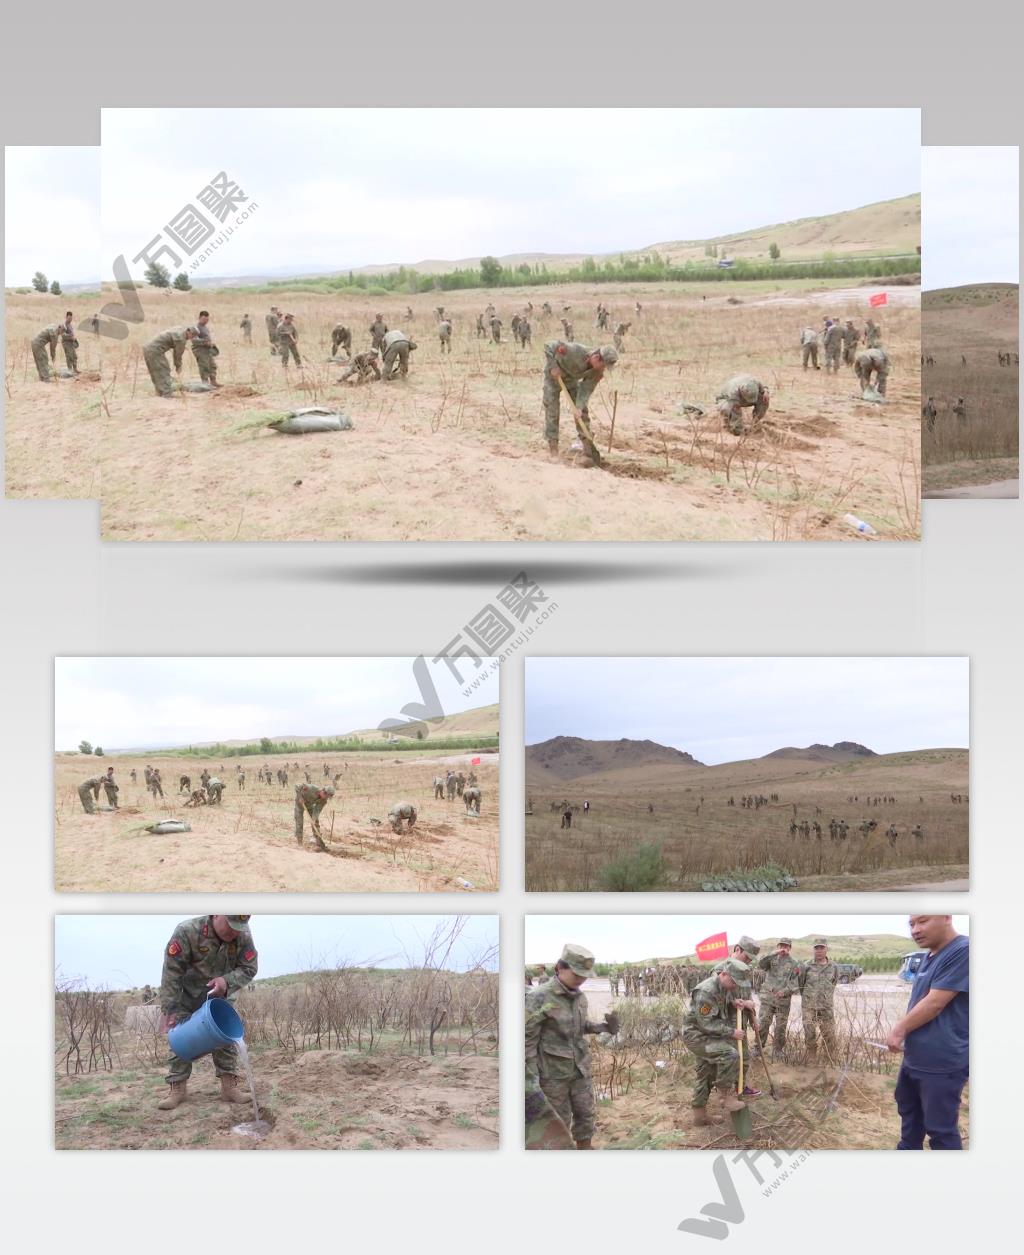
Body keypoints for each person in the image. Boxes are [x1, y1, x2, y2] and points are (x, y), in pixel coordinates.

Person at [157, 915, 258, 1110]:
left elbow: (249, 967)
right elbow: (172, 970)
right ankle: (177, 1089)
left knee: (226, 1039)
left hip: (219, 996)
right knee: (181, 1039)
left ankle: (229, 1088)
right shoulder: (187, 931)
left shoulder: (242, 935)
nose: (234, 932)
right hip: (186, 995)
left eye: (239, 927)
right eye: (230, 925)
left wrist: (226, 981)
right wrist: (169, 1006)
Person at [524, 943, 618, 1149]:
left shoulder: (579, 997)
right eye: (576, 974)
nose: (581, 980)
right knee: (559, 1119)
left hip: (580, 1069)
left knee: (586, 1113)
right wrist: (531, 1079)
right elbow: (527, 1041)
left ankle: (585, 1149)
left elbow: (578, 1026)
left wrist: (602, 1027)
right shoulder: (538, 997)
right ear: (560, 967)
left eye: (584, 975)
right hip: (552, 1074)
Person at [887, 915, 969, 1150]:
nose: (915, 930)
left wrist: (899, 1029)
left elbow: (935, 1003)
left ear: (946, 917)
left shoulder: (963, 950)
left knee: (940, 1130)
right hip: (915, 1057)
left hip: (942, 1060)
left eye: (923, 921)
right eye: (911, 924)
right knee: (910, 1114)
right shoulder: (928, 956)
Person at [682, 959, 755, 1126]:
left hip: (709, 1035)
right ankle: (725, 1095)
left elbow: (724, 1000)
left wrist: (733, 1002)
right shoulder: (706, 991)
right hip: (697, 1036)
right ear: (723, 974)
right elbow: (706, 1023)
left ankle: (699, 1116)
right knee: (730, 1054)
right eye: (733, 982)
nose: (735, 986)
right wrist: (731, 1032)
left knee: (705, 1073)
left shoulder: (725, 986)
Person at [542, 341, 617, 457]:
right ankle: (553, 449)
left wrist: (579, 406)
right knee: (552, 411)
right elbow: (549, 346)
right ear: (597, 358)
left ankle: (587, 448)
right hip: (553, 378)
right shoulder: (574, 350)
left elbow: (586, 389)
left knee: (582, 414)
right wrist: (553, 366)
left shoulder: (597, 372)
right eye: (603, 366)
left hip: (571, 381)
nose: (603, 369)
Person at [712, 935, 762, 1094]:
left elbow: (748, 996)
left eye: (751, 959)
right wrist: (737, 1002)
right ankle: (726, 1094)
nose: (748, 961)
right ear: (737, 949)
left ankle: (741, 1087)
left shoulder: (745, 970)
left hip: (742, 1022)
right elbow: (716, 997)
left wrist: (754, 1015)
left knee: (744, 1058)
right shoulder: (721, 969)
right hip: (726, 1025)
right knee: (730, 1059)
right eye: (746, 957)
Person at [757, 938, 800, 1057]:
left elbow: (795, 982)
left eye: (786, 946)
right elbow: (760, 964)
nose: (784, 948)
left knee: (781, 1026)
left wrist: (785, 992)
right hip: (768, 998)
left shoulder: (794, 963)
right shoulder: (771, 958)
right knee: (763, 1023)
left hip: (783, 1000)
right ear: (778, 946)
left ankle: (778, 1050)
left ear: (790, 948)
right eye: (782, 945)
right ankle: (758, 1048)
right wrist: (774, 953)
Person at [799, 938, 838, 1064]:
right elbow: (801, 984)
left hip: (826, 1007)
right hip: (809, 1007)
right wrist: (808, 998)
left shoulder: (834, 967)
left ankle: (829, 1058)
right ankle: (812, 1057)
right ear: (813, 950)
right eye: (817, 948)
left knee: (829, 1034)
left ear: (827, 949)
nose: (819, 950)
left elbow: (834, 982)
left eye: (822, 948)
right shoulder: (806, 966)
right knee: (809, 1033)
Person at [142, 326, 196, 397]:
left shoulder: (180, 330)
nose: (191, 338)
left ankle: (159, 392)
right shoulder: (181, 338)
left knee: (155, 371)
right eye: (192, 335)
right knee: (164, 369)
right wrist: (178, 366)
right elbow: (177, 355)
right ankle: (166, 393)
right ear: (188, 332)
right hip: (155, 350)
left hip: (147, 348)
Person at [294, 783, 333, 851]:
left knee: (315, 823)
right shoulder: (312, 788)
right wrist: (300, 797)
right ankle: (299, 842)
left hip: (309, 806)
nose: (326, 798)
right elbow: (297, 786)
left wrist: (314, 819)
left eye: (328, 798)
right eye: (326, 796)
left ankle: (319, 843)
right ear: (323, 791)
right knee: (299, 822)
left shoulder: (323, 801)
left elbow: (317, 810)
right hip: (299, 805)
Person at [190, 310, 220, 387]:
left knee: (212, 366)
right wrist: (205, 342)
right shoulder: (196, 328)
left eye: (207, 319)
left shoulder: (205, 327)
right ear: (199, 318)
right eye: (204, 319)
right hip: (200, 350)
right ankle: (205, 384)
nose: (205, 321)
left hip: (208, 350)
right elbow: (193, 340)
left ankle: (213, 382)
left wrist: (211, 344)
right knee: (204, 367)